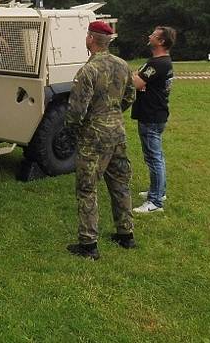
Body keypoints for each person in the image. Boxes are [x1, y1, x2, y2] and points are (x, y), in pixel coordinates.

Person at [65, 21, 136, 260]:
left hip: (94, 137)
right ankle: (126, 234)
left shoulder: (88, 71)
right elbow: (130, 96)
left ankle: (88, 245)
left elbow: (76, 111)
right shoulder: (122, 65)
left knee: (87, 188)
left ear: (91, 39)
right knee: (120, 183)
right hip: (117, 132)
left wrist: (74, 129)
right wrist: (112, 113)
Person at [131, 26, 176, 214]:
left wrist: (135, 76)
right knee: (157, 156)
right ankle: (159, 191)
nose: (150, 36)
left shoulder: (157, 64)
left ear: (162, 42)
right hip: (157, 114)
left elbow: (136, 83)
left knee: (153, 158)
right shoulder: (162, 62)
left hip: (150, 115)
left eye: (154, 35)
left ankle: (155, 202)